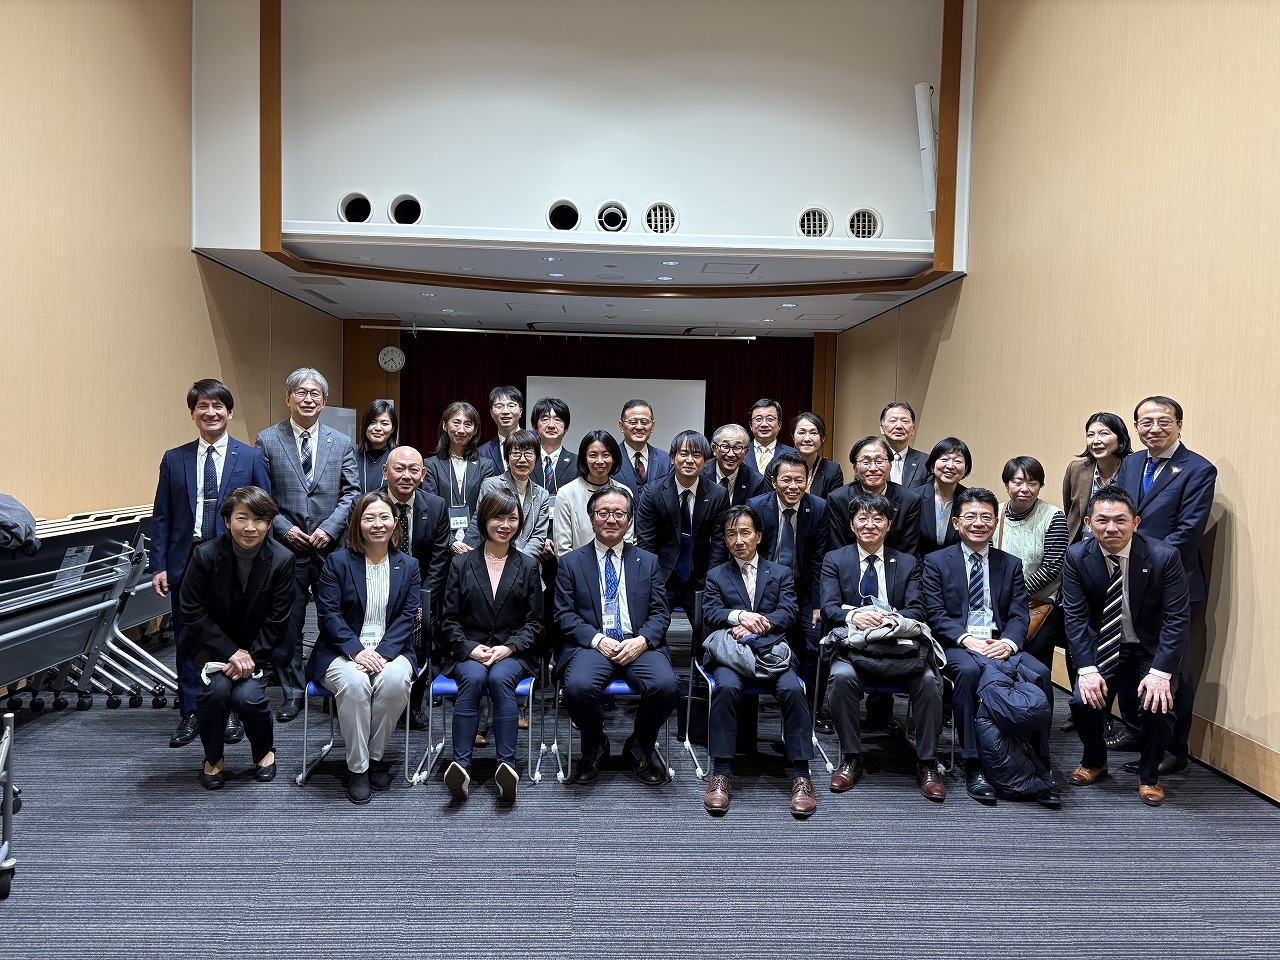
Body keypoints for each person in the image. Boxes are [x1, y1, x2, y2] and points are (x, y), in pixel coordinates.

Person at [152, 379, 270, 748]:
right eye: (202, 406)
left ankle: (229, 707)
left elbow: (265, 512)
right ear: (193, 414)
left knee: (231, 636)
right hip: (186, 559)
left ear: (229, 413)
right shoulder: (174, 459)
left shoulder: (250, 458)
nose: (211, 412)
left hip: (235, 561)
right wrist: (159, 565)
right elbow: (162, 515)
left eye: (218, 406)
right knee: (188, 637)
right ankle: (191, 711)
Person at [921, 487, 1058, 806]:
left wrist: (1009, 643)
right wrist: (967, 639)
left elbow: (1019, 612)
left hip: (1000, 642)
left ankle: (1040, 761)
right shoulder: (936, 561)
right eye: (970, 516)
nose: (979, 523)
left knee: (1040, 673)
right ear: (956, 522)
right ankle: (973, 763)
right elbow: (935, 613)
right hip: (957, 644)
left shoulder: (1009, 564)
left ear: (995, 522)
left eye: (986, 516)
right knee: (968, 672)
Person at [1063, 487, 1190, 806]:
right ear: (1089, 524)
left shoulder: (1164, 556)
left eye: (1120, 520)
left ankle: (1149, 775)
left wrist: (1161, 673)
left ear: (1136, 522)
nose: (1111, 528)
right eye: (1102, 520)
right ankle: (1095, 761)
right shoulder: (1076, 556)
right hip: (1103, 647)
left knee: (1158, 704)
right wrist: (1086, 669)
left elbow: (1177, 618)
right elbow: (1075, 617)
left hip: (1150, 650)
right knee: (1081, 700)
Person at [1112, 396, 1217, 775]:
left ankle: (1175, 748)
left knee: (1173, 668)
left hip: (1172, 582)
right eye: (1146, 422)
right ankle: (1137, 730)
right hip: (1125, 579)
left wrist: (1141, 563)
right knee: (1128, 659)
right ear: (1136, 427)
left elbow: (1187, 532)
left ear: (1179, 425)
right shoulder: (1131, 463)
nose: (1154, 428)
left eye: (1163, 421)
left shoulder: (1198, 469)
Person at [819, 491, 945, 801]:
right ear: (852, 524)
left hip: (899, 645)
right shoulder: (835, 559)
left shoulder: (908, 562)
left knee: (930, 681)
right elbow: (829, 609)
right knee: (842, 677)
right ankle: (851, 757)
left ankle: (927, 762)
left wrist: (887, 620)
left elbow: (917, 609)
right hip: (854, 646)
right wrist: (856, 615)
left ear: (889, 525)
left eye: (878, 519)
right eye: (862, 518)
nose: (870, 525)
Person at [254, 368, 359, 723]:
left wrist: (330, 528)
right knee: (289, 623)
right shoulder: (267, 440)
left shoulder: (340, 442)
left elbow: (352, 493)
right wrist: (283, 529)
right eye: (301, 392)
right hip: (287, 550)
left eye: (315, 394)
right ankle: (293, 692)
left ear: (324, 401)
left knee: (336, 619)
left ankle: (332, 685)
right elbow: (262, 496)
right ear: (288, 398)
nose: (308, 399)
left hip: (330, 550)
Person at [700, 505, 816, 819]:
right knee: (725, 688)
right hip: (733, 654)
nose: (738, 540)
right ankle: (721, 773)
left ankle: (801, 774)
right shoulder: (716, 575)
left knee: (793, 689)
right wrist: (739, 616)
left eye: (745, 532)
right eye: (731, 534)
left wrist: (757, 624)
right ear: (725, 539)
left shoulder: (779, 572)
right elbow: (711, 613)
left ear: (759, 536)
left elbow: (788, 612)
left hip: (772, 651)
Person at [556, 487, 676, 785]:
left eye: (619, 513)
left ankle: (640, 747)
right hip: (592, 645)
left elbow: (660, 612)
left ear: (629, 519)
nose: (611, 519)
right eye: (603, 513)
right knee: (578, 688)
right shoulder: (571, 562)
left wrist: (642, 641)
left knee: (666, 686)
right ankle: (594, 746)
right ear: (592, 517)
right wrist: (598, 640)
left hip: (638, 644)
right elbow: (564, 615)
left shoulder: (647, 561)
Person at [178, 486, 294, 789]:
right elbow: (191, 611)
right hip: (212, 648)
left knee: (247, 697)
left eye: (259, 519)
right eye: (242, 518)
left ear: (269, 524)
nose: (250, 527)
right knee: (215, 694)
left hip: (257, 649)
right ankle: (213, 758)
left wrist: (249, 656)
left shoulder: (282, 559)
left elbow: (277, 620)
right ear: (227, 521)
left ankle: (264, 752)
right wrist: (232, 652)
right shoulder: (204, 555)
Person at [310, 491, 420, 804]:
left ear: (395, 522)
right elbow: (328, 614)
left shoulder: (408, 565)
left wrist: (381, 653)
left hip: (391, 649)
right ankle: (358, 768)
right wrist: (358, 652)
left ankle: (375, 756)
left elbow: (407, 617)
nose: (378, 524)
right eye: (369, 518)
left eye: (384, 517)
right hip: (340, 650)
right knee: (356, 683)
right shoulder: (337, 562)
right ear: (357, 523)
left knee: (395, 681)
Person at [440, 489, 543, 804]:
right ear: (484, 519)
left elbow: (536, 623)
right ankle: (461, 766)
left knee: (500, 680)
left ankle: (506, 767)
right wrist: (468, 648)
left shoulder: (528, 565)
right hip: (469, 649)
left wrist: (509, 648)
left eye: (512, 518)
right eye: (498, 517)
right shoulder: (461, 564)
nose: (505, 525)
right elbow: (448, 619)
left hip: (512, 652)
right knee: (472, 679)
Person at [380, 445, 451, 729]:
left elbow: (438, 560)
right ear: (385, 472)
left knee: (423, 632)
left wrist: (421, 603)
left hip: (421, 590)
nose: (406, 476)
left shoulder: (435, 506)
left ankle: (414, 705)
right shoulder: (369, 505)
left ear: (422, 475)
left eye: (413, 470)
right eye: (399, 469)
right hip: (378, 588)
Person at [745, 452, 827, 685]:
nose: (793, 486)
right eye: (786, 479)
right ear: (773, 481)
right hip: (767, 587)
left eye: (799, 480)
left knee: (816, 644)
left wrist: (818, 604)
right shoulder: (757, 506)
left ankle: (808, 703)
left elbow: (818, 559)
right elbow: (751, 554)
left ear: (807, 481)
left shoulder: (819, 507)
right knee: (759, 640)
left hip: (804, 588)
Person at [636, 430, 730, 614]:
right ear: (672, 458)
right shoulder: (652, 493)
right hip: (662, 576)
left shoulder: (718, 495)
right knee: (652, 627)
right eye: (684, 454)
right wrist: (653, 580)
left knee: (707, 628)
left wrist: (712, 582)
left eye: (696, 455)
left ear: (706, 462)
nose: (689, 460)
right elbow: (646, 544)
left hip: (700, 577)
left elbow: (720, 544)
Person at [996, 456, 1069, 671]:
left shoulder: (1053, 516)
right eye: (1017, 482)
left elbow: (1052, 567)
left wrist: (1015, 595)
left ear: (1040, 486)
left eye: (1032, 483)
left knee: (1034, 667)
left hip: (1038, 606)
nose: (1025, 489)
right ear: (1007, 484)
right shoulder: (995, 513)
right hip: (999, 605)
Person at [825, 436, 923, 556]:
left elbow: (908, 551)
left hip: (895, 565)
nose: (873, 468)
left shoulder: (909, 500)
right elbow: (838, 548)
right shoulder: (838, 499)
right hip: (850, 564)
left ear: (890, 465)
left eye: (879, 461)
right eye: (866, 462)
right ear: (855, 467)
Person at [422, 401, 497, 556]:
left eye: (468, 424)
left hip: (476, 547)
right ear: (445, 426)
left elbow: (485, 508)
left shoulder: (485, 466)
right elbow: (431, 509)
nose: (461, 430)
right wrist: (451, 542)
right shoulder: (431, 465)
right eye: (456, 423)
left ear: (475, 430)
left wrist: (468, 544)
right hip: (440, 547)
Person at [465, 429, 552, 562]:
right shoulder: (491, 485)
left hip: (526, 565)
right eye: (516, 453)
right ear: (507, 457)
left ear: (536, 457)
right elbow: (483, 525)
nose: (522, 460)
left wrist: (520, 563)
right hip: (493, 559)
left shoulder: (542, 494)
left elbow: (538, 537)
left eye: (529, 454)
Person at [553, 430, 631, 556]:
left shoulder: (624, 493)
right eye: (593, 455)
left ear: (614, 458)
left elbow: (627, 542)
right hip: (577, 567)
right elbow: (562, 548)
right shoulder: (566, 493)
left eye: (606, 455)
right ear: (585, 458)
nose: (600, 461)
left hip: (618, 565)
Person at [1062, 412, 1132, 544]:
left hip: (1120, 541)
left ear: (1121, 439)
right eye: (1090, 435)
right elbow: (1069, 509)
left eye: (1104, 434)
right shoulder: (1076, 469)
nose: (1096, 441)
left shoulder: (1133, 469)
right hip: (1081, 543)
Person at [915, 437, 971, 557]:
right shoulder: (914, 498)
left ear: (965, 468)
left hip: (957, 564)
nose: (950, 466)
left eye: (958, 461)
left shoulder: (970, 501)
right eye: (944, 459)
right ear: (932, 465)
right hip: (920, 565)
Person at [614, 399, 672, 496]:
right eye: (633, 422)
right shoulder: (611, 459)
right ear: (621, 426)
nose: (639, 427)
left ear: (652, 426)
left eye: (644, 422)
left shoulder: (666, 460)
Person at [703, 423, 769, 507]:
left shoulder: (756, 482)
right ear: (714, 448)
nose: (731, 454)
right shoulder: (699, 473)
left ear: (746, 452)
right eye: (725, 446)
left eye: (737, 448)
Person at [790, 411, 844, 500]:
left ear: (822, 438)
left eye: (814, 433)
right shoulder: (778, 465)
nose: (807, 439)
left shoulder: (833, 471)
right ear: (793, 437)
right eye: (801, 433)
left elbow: (834, 505)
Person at [530, 397, 578, 496]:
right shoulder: (526, 460)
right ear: (535, 427)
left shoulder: (577, 462)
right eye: (545, 419)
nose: (551, 425)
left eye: (557, 420)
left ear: (566, 427)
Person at [879, 401, 929, 489]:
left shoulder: (926, 461)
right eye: (893, 421)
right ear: (882, 428)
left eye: (905, 421)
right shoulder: (870, 461)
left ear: (913, 430)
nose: (899, 426)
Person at [354, 399, 398, 494]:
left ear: (392, 429)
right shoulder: (351, 456)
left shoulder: (398, 457)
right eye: (372, 422)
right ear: (365, 426)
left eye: (384, 424)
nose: (378, 428)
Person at [478, 386, 524, 474]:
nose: (505, 411)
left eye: (511, 406)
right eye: (499, 406)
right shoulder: (482, 452)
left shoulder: (537, 442)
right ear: (491, 413)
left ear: (520, 411)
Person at [747, 398, 796, 481]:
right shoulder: (740, 452)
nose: (764, 424)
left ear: (779, 424)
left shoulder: (793, 454)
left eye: (770, 419)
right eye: (758, 419)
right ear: (751, 425)